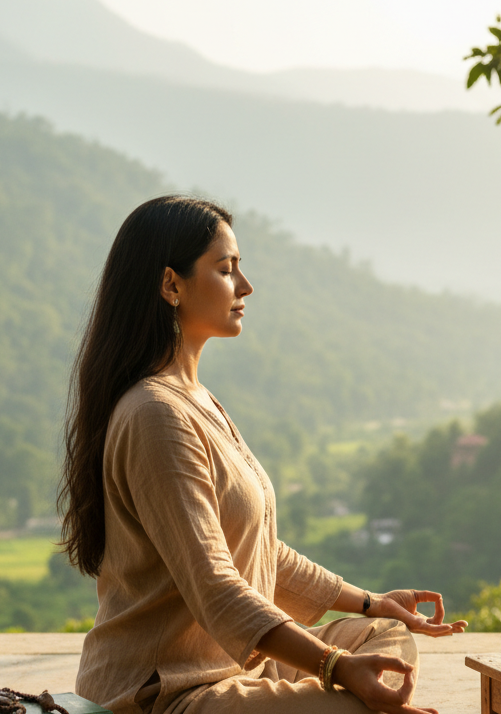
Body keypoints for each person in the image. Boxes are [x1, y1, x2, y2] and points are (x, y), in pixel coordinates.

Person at [60, 196, 466, 714]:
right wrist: (334, 667)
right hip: (168, 690)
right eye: (227, 270)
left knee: (386, 635)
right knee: (364, 704)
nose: (245, 287)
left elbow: (260, 552)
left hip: (234, 667)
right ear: (171, 285)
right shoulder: (155, 415)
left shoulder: (197, 401)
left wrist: (372, 602)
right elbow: (216, 584)